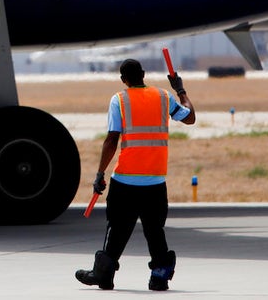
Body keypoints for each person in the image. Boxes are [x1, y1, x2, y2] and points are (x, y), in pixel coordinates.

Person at [76, 58, 195, 291]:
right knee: (155, 231)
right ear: (143, 73)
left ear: (123, 79)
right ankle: (159, 276)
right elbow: (190, 117)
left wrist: (100, 174)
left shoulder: (119, 99)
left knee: (117, 229)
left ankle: (104, 274)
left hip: (125, 180)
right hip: (155, 180)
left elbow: (112, 139)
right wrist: (180, 89)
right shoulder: (163, 97)